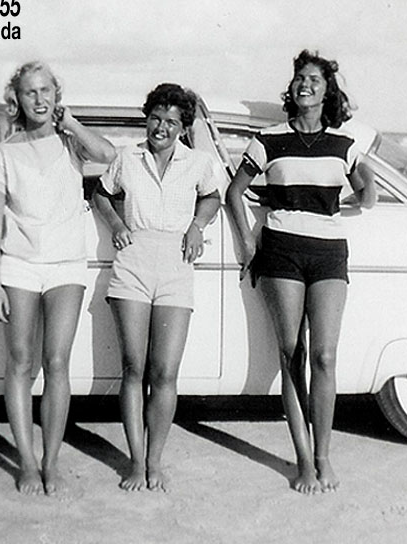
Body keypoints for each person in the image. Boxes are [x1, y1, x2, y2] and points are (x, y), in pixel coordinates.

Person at [225, 50, 376, 495]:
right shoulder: (268, 140)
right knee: (292, 352)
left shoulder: (344, 144)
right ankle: (305, 462)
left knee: (324, 356)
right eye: (299, 78)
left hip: (329, 252)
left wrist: (360, 177)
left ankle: (324, 456)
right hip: (281, 250)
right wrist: (247, 242)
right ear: (291, 88)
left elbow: (368, 197)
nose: (304, 84)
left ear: (328, 91)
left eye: (314, 79)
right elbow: (235, 193)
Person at [0, 61, 116, 495]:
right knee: (20, 362)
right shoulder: (4, 152)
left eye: (46, 91)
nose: (39, 99)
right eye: (30, 92)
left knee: (57, 362)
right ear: (17, 99)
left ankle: (51, 461)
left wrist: (71, 123)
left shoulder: (70, 142)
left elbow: (108, 155)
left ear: (57, 95)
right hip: (19, 265)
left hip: (66, 264)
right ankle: (25, 461)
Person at [92, 83, 221, 492]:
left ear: (183, 128)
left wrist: (197, 226)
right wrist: (117, 224)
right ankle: (135, 461)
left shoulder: (198, 161)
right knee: (134, 367)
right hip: (133, 263)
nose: (161, 128)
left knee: (165, 371)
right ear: (146, 119)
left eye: (171, 122)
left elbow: (213, 197)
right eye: (155, 118)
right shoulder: (127, 158)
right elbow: (101, 194)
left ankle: (155, 461)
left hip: (176, 265)